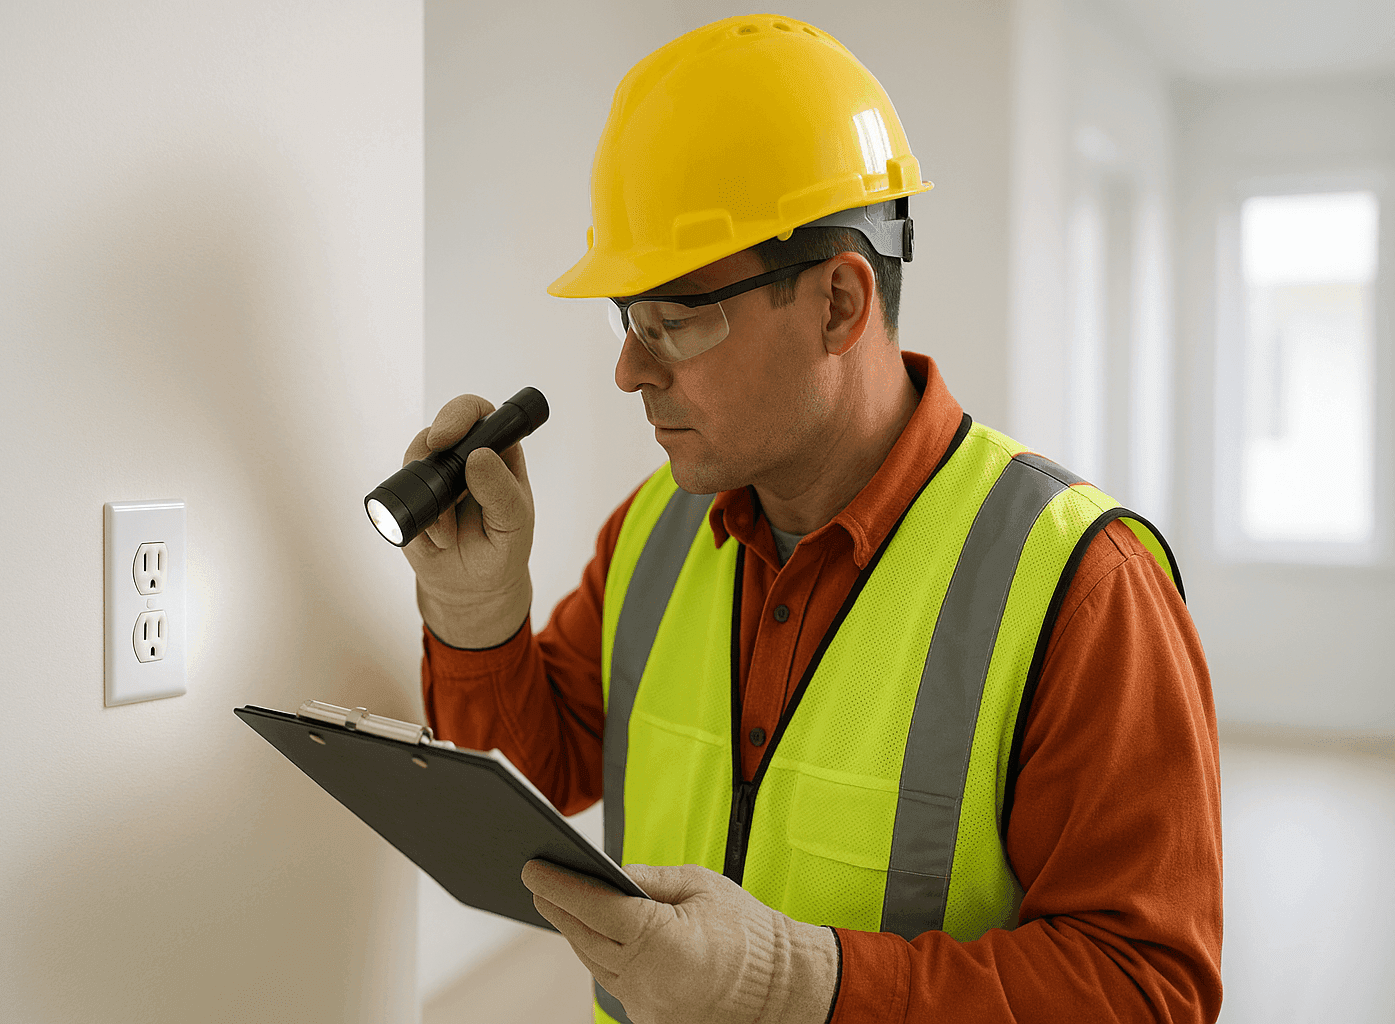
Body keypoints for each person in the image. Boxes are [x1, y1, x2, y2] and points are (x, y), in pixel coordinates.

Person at [405, 14, 1222, 1024]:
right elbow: (539, 785)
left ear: (840, 302)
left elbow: (1147, 990)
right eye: (627, 317)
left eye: (675, 318)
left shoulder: (1083, 587)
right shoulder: (654, 532)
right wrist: (477, 612)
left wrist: (806, 985)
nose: (629, 368)